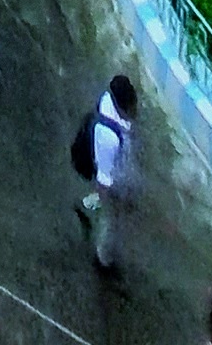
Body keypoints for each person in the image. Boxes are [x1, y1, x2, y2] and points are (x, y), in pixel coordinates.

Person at [76, 73, 139, 282]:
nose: (135, 111)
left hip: (118, 167)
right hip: (112, 178)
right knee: (111, 222)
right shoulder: (108, 138)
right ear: (122, 107)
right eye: (132, 107)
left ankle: (90, 204)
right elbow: (104, 181)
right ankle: (103, 259)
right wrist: (115, 201)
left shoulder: (108, 103)